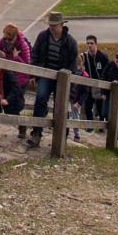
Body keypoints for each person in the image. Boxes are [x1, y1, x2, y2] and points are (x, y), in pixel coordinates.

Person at [25, 12, 79, 148]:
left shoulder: (71, 42)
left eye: (55, 25)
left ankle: (61, 135)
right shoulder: (43, 36)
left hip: (62, 77)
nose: (52, 28)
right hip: (46, 74)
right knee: (40, 99)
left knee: (60, 105)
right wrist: (33, 74)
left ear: (62, 25)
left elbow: (73, 64)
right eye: (50, 25)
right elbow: (35, 54)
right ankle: (36, 133)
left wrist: (68, 80)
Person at [0, 23, 30, 146]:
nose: (6, 40)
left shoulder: (23, 45)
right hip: (3, 76)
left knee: (11, 109)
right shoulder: (3, 42)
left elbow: (27, 66)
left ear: (15, 37)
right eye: (5, 37)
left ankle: (22, 125)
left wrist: (16, 58)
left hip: (17, 79)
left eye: (9, 38)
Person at [80, 35, 111, 125]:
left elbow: (108, 72)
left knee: (100, 107)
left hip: (100, 86)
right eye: (88, 43)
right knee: (87, 106)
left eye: (91, 43)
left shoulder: (103, 57)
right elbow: (81, 70)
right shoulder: (84, 57)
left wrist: (105, 89)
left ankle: (101, 126)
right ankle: (90, 126)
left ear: (96, 44)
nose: (89, 45)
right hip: (89, 85)